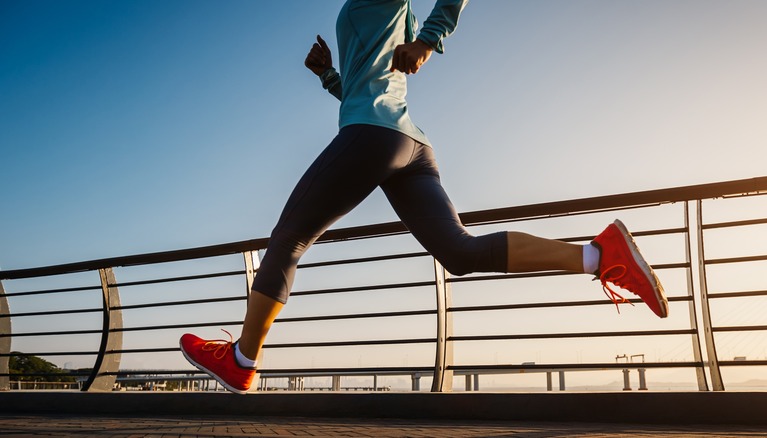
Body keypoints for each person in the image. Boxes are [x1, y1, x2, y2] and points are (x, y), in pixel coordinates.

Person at [180, 0, 668, 395]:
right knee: (458, 251)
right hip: (408, 144)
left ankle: (242, 360)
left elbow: (390, 77)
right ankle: (601, 257)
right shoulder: (378, 13)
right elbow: (365, 89)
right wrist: (329, 76)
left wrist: (429, 40)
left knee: (288, 237)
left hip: (375, 135)